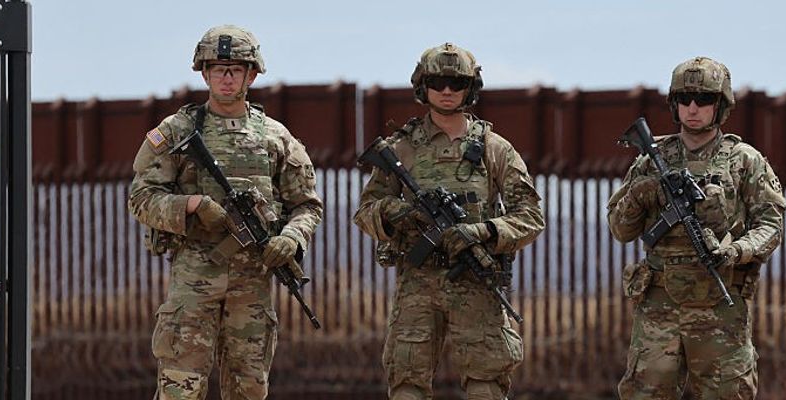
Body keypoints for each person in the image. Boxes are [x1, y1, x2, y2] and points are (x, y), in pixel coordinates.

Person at [128, 25, 324, 399]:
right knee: (180, 389)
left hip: (252, 288)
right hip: (193, 285)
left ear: (252, 75)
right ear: (205, 74)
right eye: (219, 69)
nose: (227, 77)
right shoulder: (177, 131)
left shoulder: (276, 137)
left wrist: (290, 238)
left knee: (249, 390)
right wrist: (192, 205)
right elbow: (141, 198)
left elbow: (306, 205)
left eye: (236, 69)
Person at [351, 42, 545, 400]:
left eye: (456, 83)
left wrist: (484, 231)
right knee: (407, 385)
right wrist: (399, 213)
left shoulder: (494, 148)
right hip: (418, 281)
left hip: (474, 281)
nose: (446, 90)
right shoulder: (400, 149)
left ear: (470, 88)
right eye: (437, 82)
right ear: (422, 86)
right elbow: (365, 211)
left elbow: (530, 216)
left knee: (486, 385)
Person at [607, 56, 786, 399]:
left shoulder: (744, 160)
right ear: (673, 104)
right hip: (659, 304)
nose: (693, 107)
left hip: (719, 303)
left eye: (703, 99)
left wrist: (736, 250)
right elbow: (620, 230)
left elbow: (770, 225)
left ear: (721, 105)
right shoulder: (650, 160)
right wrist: (640, 194)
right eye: (684, 99)